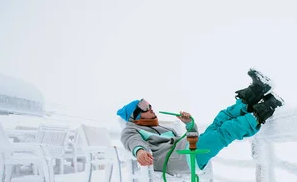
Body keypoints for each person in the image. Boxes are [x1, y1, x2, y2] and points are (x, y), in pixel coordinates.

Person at [117, 69, 283, 173]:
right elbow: (132, 142)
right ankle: (264, 110)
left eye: (149, 104)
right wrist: (139, 151)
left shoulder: (159, 129)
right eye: (145, 107)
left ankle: (257, 90)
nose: (151, 108)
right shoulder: (131, 130)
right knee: (225, 131)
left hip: (188, 150)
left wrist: (189, 124)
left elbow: (190, 138)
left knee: (222, 118)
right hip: (183, 161)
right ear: (135, 116)